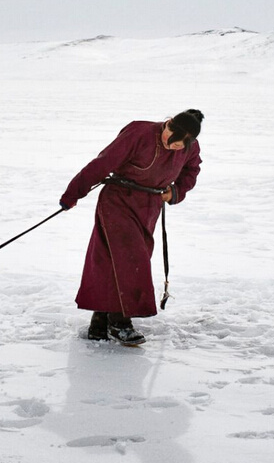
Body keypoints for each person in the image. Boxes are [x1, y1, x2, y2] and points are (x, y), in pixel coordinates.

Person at [59, 109, 203, 345]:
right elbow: (102, 163)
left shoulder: (189, 147)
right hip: (118, 201)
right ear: (167, 126)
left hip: (150, 206)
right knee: (130, 260)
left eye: (179, 148)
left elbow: (192, 169)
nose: (173, 148)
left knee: (113, 262)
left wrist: (176, 192)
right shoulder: (139, 132)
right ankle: (120, 322)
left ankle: (100, 322)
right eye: (171, 142)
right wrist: (73, 193)